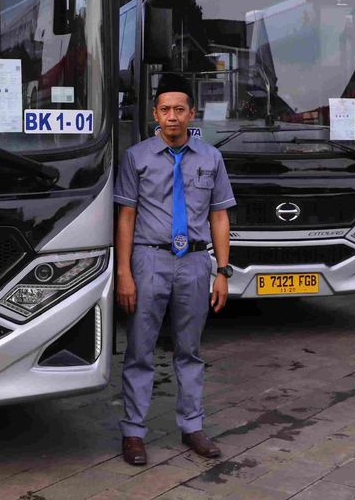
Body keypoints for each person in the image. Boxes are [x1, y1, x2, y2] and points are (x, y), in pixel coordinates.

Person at [113, 73, 235, 466]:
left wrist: (223, 270)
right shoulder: (137, 157)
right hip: (150, 260)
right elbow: (126, 217)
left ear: (191, 113)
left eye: (179, 109)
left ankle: (193, 426)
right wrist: (124, 274)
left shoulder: (211, 158)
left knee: (190, 349)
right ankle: (134, 432)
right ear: (155, 114)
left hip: (196, 263)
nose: (172, 117)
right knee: (140, 350)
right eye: (164, 109)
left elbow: (219, 217)